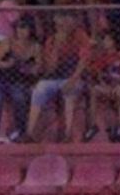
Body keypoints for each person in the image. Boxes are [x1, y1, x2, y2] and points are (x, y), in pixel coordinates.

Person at [26, 11, 91, 142]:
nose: (61, 27)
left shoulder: (80, 36)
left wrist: (73, 80)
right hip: (55, 78)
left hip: (73, 77)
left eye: (63, 23)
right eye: (58, 25)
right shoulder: (51, 40)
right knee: (38, 90)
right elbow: (50, 69)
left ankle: (67, 134)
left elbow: (84, 60)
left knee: (70, 93)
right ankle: (29, 133)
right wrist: (57, 46)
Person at [0, 15, 39, 144]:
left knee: (19, 96)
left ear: (31, 30)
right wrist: (6, 64)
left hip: (19, 80)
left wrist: (29, 69)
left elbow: (38, 68)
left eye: (24, 28)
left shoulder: (35, 47)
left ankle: (19, 131)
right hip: (0, 78)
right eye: (19, 27)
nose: (21, 31)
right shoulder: (8, 42)